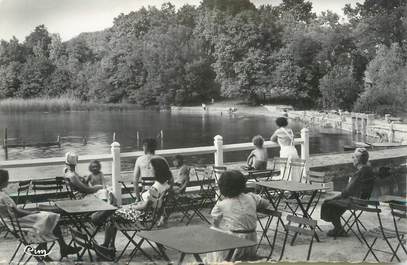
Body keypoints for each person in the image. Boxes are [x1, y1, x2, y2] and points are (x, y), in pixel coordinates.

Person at [95, 157, 172, 260]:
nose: (150, 170)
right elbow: (151, 205)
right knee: (115, 212)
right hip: (150, 217)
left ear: (157, 170)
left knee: (112, 216)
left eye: (151, 168)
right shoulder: (165, 185)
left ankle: (106, 246)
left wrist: (132, 206)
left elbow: (145, 206)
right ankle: (110, 246)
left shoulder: (155, 188)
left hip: (143, 218)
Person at [0, 169, 80, 259]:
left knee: (49, 216)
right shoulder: (3, 196)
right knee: (50, 216)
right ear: (3, 181)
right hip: (19, 222)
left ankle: (53, 248)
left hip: (12, 223)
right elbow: (18, 212)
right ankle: (59, 247)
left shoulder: (2, 195)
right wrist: (32, 212)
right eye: (7, 179)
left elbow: (15, 211)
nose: (8, 181)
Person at [209, 170, 269, 262]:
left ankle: (217, 261)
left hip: (236, 243)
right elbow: (266, 203)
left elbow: (215, 220)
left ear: (223, 188)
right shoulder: (252, 197)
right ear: (242, 185)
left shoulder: (222, 204)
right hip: (252, 241)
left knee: (213, 232)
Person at [320, 148, 375, 237]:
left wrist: (334, 198)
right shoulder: (369, 170)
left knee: (328, 203)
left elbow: (346, 192)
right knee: (337, 202)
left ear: (358, 160)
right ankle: (338, 229)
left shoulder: (360, 173)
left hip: (356, 201)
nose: (352, 159)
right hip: (364, 200)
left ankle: (338, 229)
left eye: (353, 157)